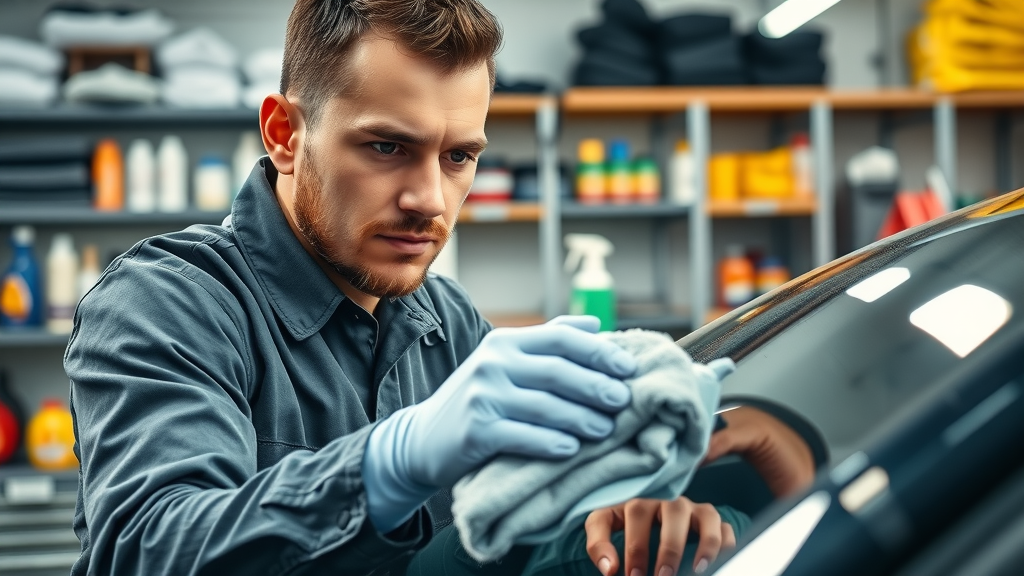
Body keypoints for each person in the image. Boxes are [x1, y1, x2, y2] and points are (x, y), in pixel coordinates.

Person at [65, 1, 816, 575]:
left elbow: (487, 539)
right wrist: (388, 463)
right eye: (387, 147)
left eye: (459, 157)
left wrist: (607, 517)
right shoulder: (167, 302)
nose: (429, 198)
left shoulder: (447, 322)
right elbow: (146, 546)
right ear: (285, 135)